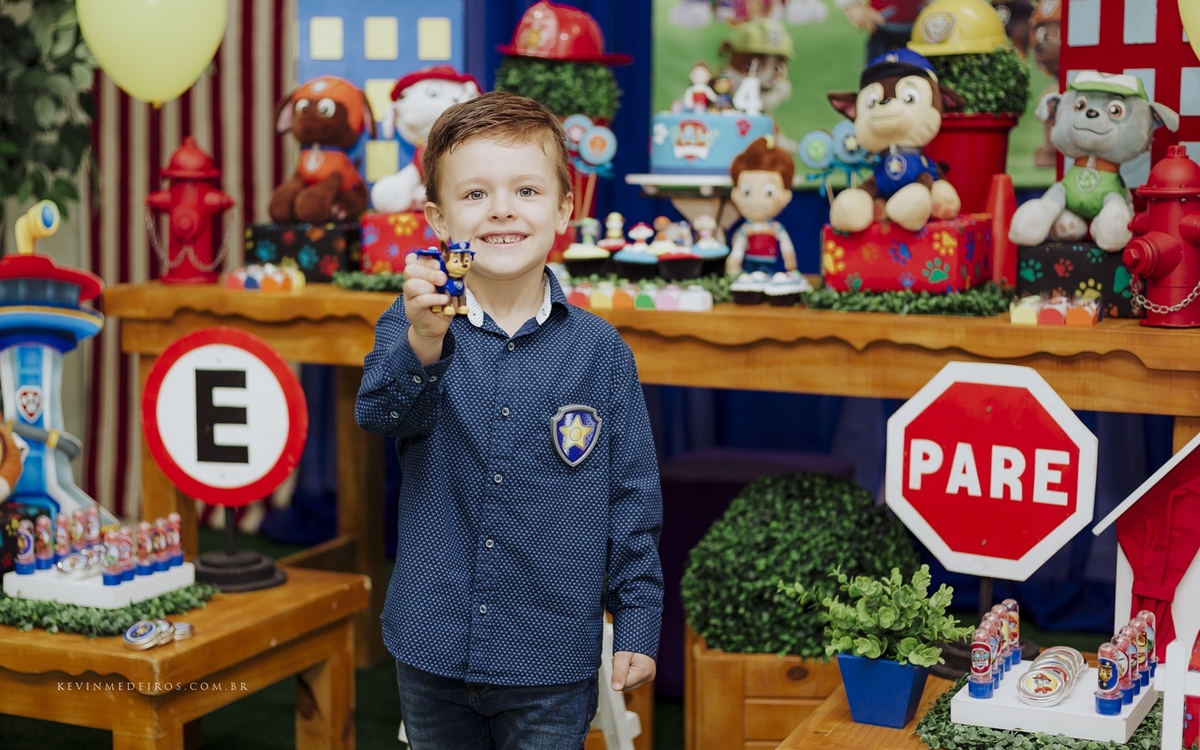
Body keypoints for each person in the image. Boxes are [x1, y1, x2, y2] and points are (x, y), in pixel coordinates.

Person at [355, 91, 663, 749]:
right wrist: (422, 347)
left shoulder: (601, 353)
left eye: (525, 189)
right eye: (474, 195)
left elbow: (631, 497)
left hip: (550, 656)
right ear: (438, 219)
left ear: (564, 208)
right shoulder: (411, 327)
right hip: (430, 643)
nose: (500, 210)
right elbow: (378, 415)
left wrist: (638, 618)